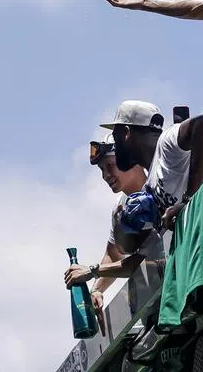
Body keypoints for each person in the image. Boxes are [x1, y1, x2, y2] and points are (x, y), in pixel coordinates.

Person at [63, 134, 166, 330]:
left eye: (110, 165)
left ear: (130, 158)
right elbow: (113, 254)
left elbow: (140, 263)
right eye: (102, 169)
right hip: (155, 311)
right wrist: (97, 289)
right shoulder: (120, 209)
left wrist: (91, 271)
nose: (105, 175)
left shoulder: (160, 189)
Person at [101, 99, 203, 232]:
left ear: (126, 133)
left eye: (115, 136)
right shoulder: (150, 185)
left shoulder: (166, 143)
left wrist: (189, 201)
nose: (115, 146)